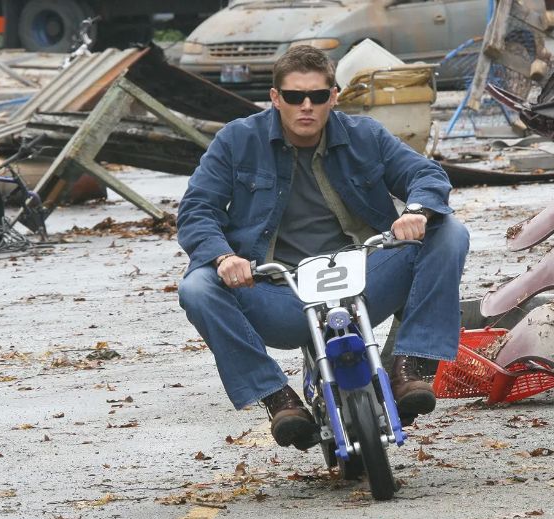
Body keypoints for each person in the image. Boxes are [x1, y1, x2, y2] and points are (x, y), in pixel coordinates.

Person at [177, 45, 469, 451]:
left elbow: (423, 173)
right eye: (295, 97)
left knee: (449, 231)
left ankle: (411, 365)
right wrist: (225, 257)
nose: (307, 106)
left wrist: (416, 212)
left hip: (364, 281)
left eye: (318, 95)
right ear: (275, 98)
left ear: (334, 95)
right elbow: (197, 210)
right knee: (196, 287)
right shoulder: (236, 141)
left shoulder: (365, 135)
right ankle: (277, 397)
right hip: (279, 292)